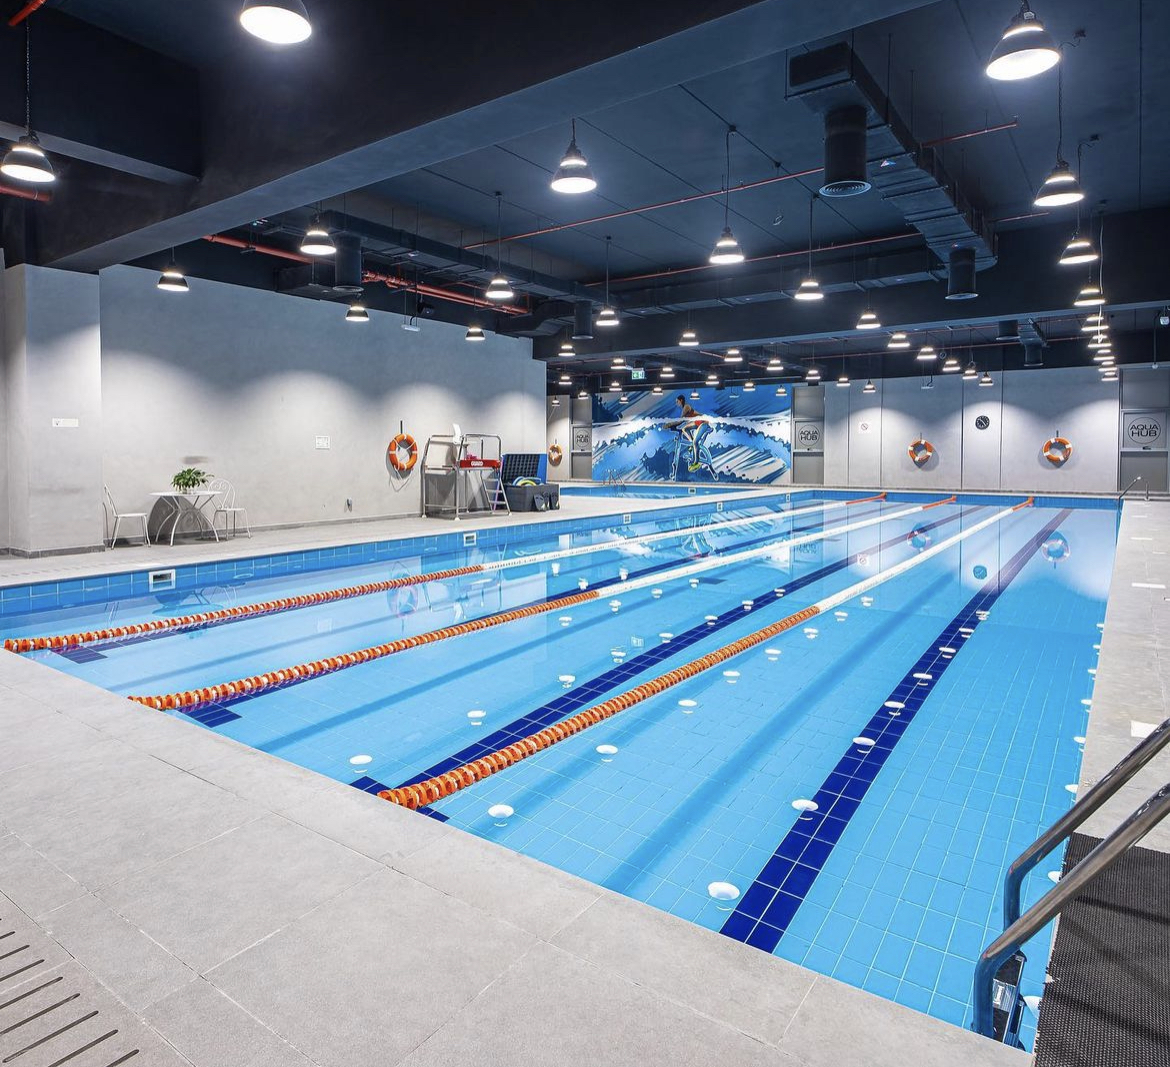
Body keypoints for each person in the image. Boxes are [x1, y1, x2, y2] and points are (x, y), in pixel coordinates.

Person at [664, 394, 710, 473]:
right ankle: (692, 444)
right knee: (684, 429)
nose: (676, 403)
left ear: (681, 400)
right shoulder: (684, 408)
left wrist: (669, 424)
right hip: (697, 422)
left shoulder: (686, 407)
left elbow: (680, 421)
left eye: (677, 401)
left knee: (695, 442)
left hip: (703, 422)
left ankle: (696, 463)